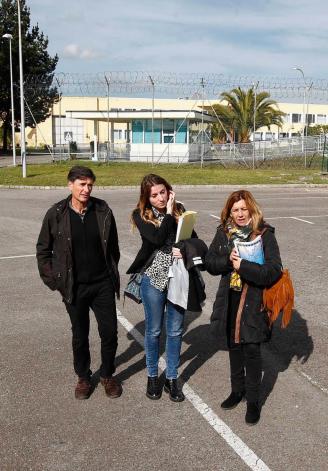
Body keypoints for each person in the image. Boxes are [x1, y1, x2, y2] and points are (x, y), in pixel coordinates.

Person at [36, 165, 122, 400]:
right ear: (70, 185)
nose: (86, 189)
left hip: (102, 283)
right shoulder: (56, 213)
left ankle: (107, 375)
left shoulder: (103, 210)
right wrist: (55, 280)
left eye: (90, 185)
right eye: (82, 184)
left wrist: (111, 271)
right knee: (80, 334)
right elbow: (43, 250)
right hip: (75, 286)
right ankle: (83, 377)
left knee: (110, 332)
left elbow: (113, 247)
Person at [205, 190, 282, 425]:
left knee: (251, 350)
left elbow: (273, 270)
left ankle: (253, 401)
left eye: (243, 209)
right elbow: (210, 263)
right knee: (234, 347)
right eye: (235, 210)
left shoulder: (264, 234)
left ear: (251, 209)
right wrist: (228, 260)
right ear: (229, 212)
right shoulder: (224, 233)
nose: (239, 214)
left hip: (254, 301)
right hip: (230, 297)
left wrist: (244, 266)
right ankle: (237, 391)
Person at [127, 174, 188, 402]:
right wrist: (171, 214)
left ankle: (172, 378)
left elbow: (194, 240)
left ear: (169, 191)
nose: (160, 198)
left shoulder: (181, 209)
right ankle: (152, 376)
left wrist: (186, 249)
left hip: (179, 274)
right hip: (153, 276)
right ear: (147, 198)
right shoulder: (141, 215)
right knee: (153, 330)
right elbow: (157, 238)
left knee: (175, 330)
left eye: (163, 192)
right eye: (154, 195)